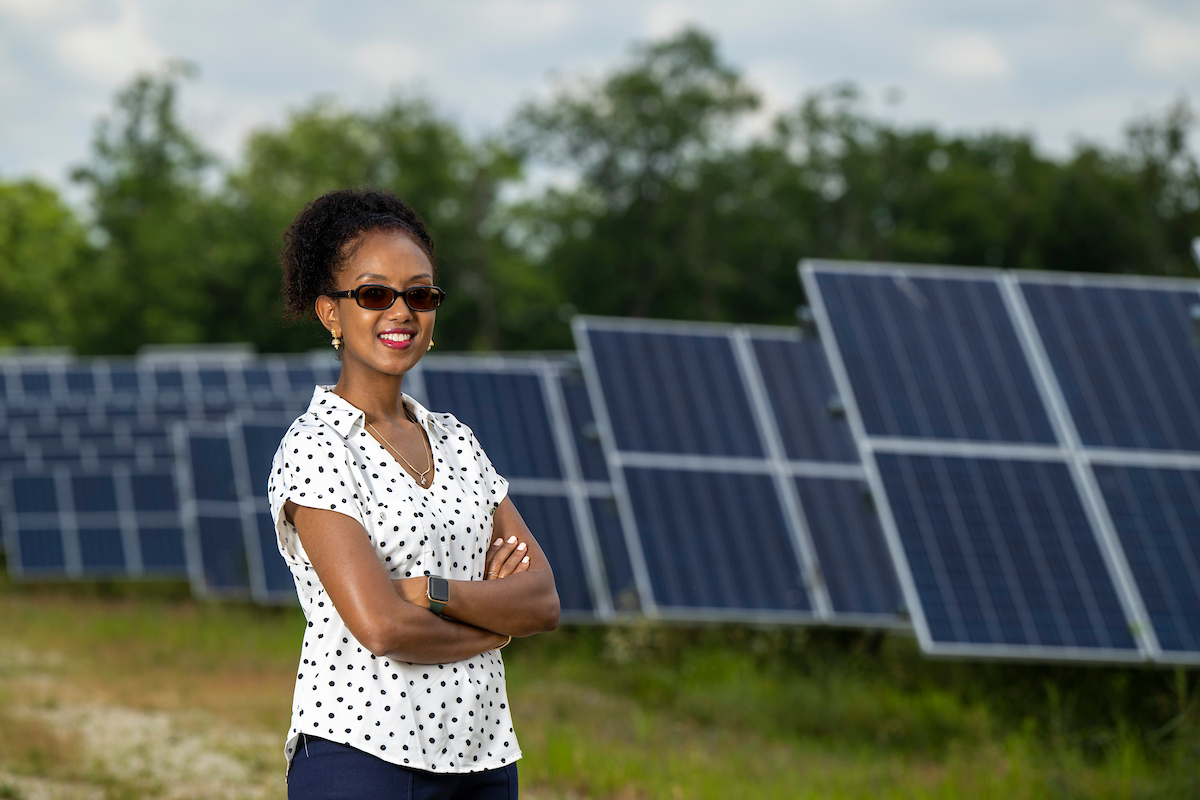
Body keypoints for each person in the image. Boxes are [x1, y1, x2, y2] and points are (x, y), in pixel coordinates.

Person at [268, 187, 560, 799]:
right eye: (375, 294)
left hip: (484, 756)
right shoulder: (318, 448)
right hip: (362, 757)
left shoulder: (457, 441)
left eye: (420, 294)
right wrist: (492, 626)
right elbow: (381, 627)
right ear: (331, 313)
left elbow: (540, 600)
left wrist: (432, 592)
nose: (401, 311)